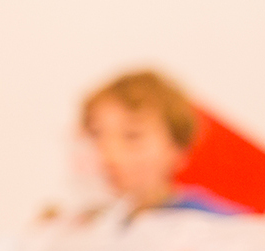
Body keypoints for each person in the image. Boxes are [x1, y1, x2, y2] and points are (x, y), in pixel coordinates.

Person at [81, 70, 245, 216]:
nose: (110, 154)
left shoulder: (207, 220)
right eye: (97, 135)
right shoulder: (103, 222)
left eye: (132, 136)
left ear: (176, 149)